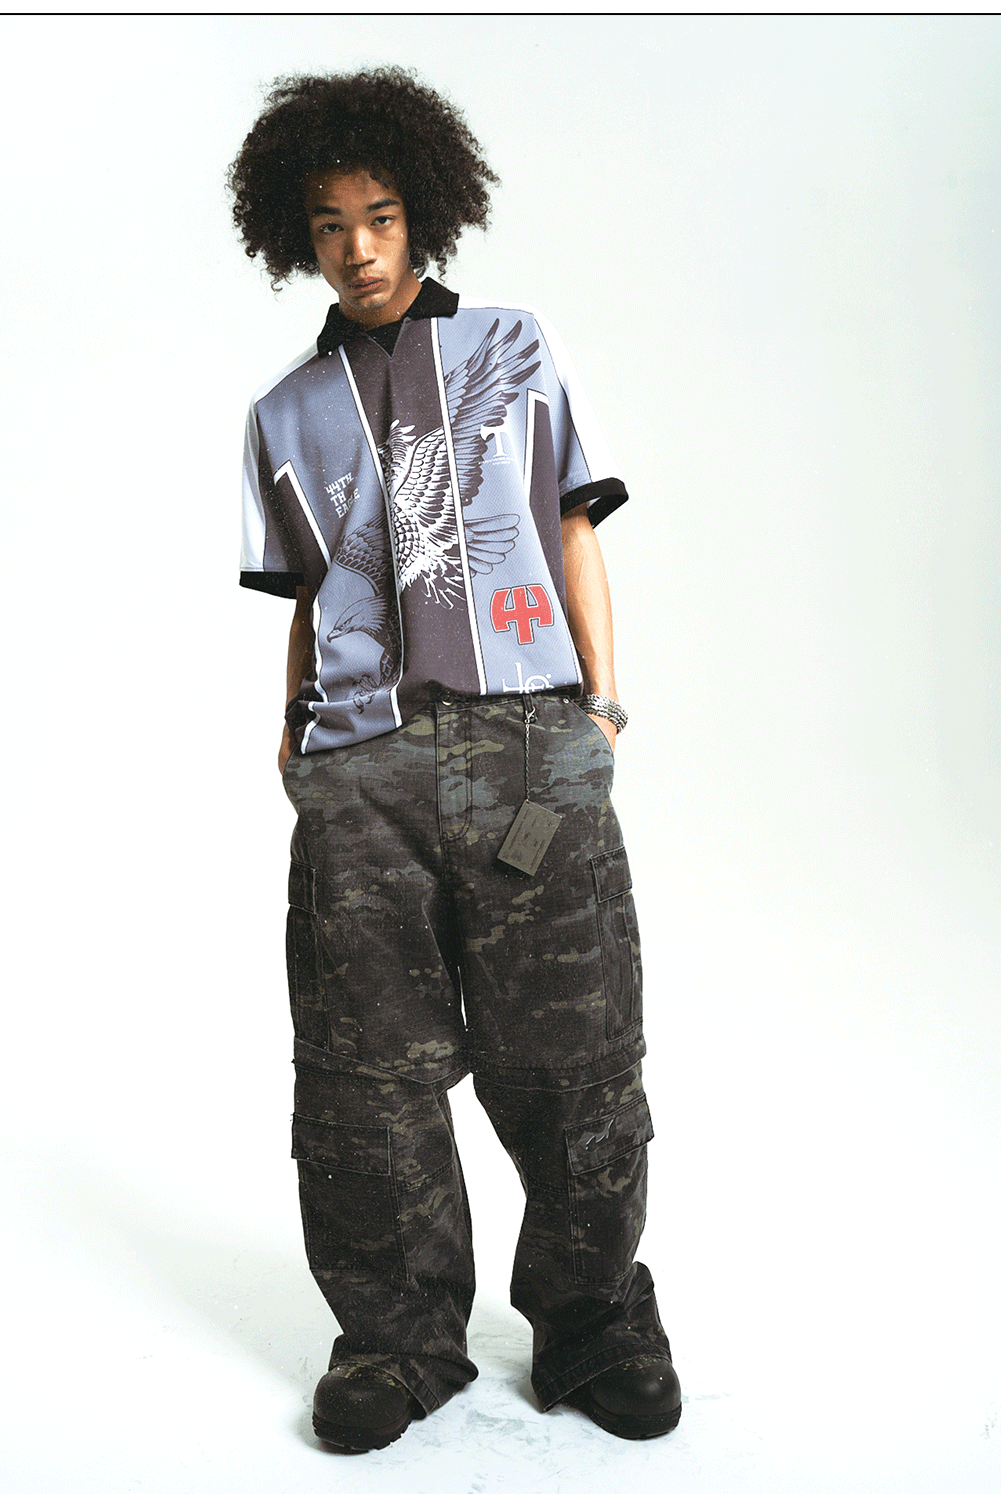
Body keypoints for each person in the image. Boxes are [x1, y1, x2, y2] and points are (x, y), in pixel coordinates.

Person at [229, 67, 680, 1453]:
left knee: (575, 1052)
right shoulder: (282, 412)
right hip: (360, 777)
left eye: (379, 217)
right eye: (329, 224)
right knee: (362, 1075)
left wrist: (603, 714)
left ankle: (595, 1324)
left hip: (531, 752)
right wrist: (298, 746)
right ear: (297, 236)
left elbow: (573, 525)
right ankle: (398, 1338)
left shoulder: (514, 345)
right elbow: (307, 595)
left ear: (422, 212)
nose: (358, 249)